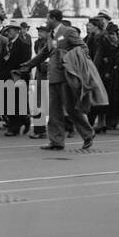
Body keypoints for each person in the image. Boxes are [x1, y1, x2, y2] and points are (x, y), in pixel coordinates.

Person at [16, 9, 94, 151]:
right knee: (54, 111)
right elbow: (44, 53)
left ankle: (88, 134)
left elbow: (84, 48)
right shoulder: (52, 35)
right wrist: (28, 65)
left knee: (71, 109)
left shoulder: (68, 31)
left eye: (48, 19)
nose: (46, 21)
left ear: (54, 18)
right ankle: (56, 141)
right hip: (53, 78)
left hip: (66, 77)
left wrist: (67, 57)